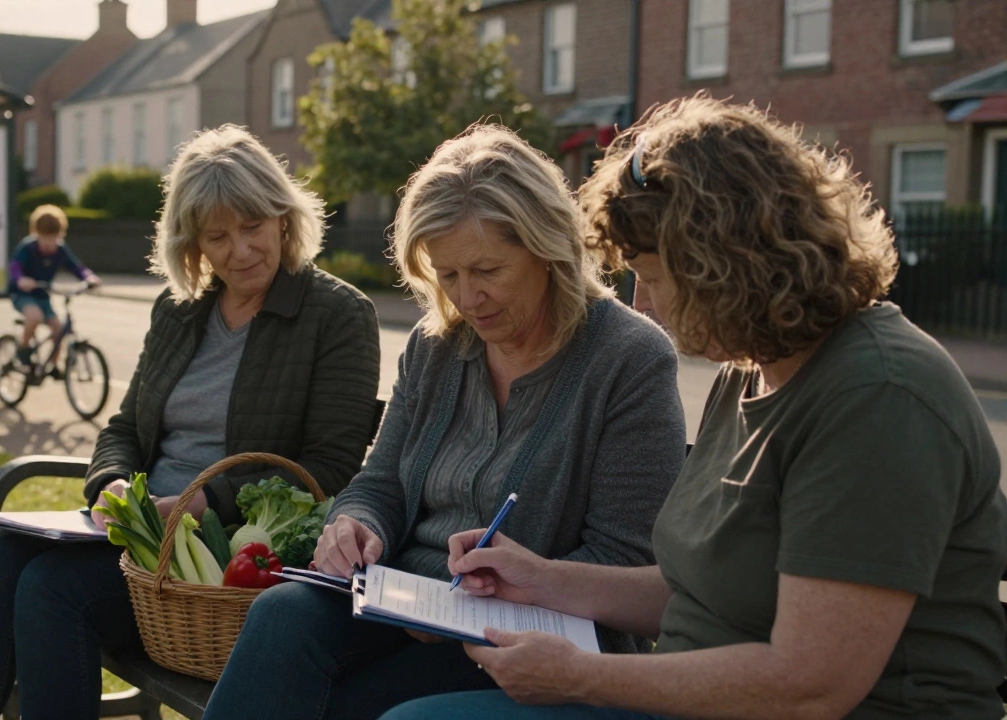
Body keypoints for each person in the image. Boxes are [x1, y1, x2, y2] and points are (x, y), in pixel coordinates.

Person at [380, 96, 1007, 720]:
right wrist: (540, 578)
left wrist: (583, 677)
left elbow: (810, 685)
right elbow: (692, 592)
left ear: (729, 263)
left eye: (653, 277)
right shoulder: (751, 373)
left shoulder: (878, 398)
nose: (643, 305)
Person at [202, 124, 687, 720]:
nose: (467, 298)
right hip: (406, 605)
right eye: (447, 275)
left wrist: (482, 602)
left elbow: (629, 560)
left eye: (486, 270)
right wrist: (355, 524)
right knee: (281, 615)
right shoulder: (437, 346)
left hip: (537, 640)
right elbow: (381, 483)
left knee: (339, 703)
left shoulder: (628, 358)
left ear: (547, 248)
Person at [0, 125, 383, 720]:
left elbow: (328, 467)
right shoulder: (179, 308)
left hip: (226, 554)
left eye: (252, 227)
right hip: (139, 532)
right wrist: (111, 484)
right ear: (192, 243)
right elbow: (124, 426)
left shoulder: (339, 315)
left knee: (50, 591)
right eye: (216, 236)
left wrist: (199, 505)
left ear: (283, 217)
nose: (240, 250)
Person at [7, 204, 102, 370]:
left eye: (55, 238)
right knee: (34, 317)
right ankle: (22, 348)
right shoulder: (27, 248)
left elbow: (76, 266)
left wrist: (89, 277)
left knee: (58, 330)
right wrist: (21, 279)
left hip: (43, 295)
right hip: (23, 294)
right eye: (46, 238)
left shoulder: (60, 249)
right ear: (37, 234)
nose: (51, 243)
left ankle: (53, 365)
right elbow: (14, 266)